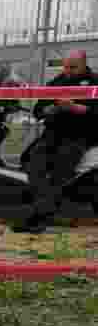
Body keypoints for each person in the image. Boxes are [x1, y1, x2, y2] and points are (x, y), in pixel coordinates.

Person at [13, 49, 98, 233]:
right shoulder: (57, 82)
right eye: (65, 66)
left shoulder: (94, 82)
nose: (67, 71)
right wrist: (49, 109)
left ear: (84, 64)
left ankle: (38, 217)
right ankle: (45, 212)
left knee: (61, 170)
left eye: (73, 67)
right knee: (32, 163)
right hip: (52, 135)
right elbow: (38, 109)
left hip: (79, 136)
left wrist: (74, 107)